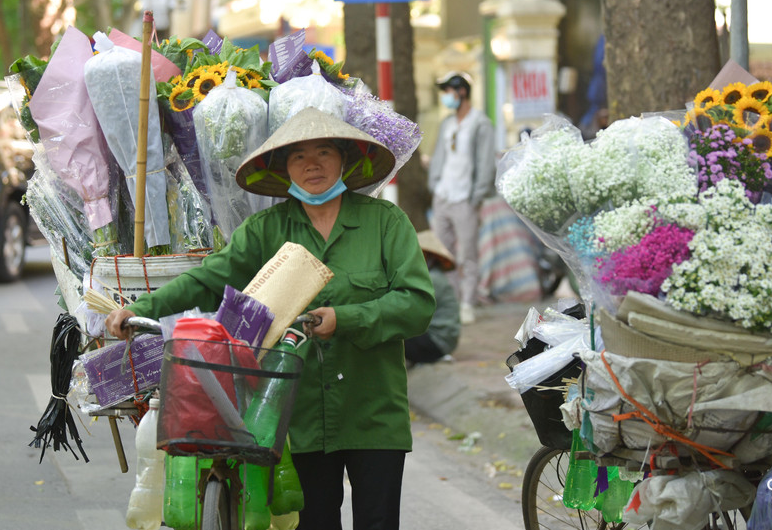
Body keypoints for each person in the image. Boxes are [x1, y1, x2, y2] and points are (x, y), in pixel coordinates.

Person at [105, 107, 436, 530]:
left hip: (374, 412)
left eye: (324, 152)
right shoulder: (265, 231)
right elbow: (208, 279)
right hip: (297, 418)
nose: (312, 164)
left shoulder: (386, 223)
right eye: (298, 156)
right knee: (314, 524)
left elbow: (417, 304)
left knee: (378, 521)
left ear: (344, 159)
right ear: (284, 169)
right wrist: (140, 309)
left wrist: (346, 318)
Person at [428, 71, 497, 325]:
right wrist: (434, 184)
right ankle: (451, 301)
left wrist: (476, 195)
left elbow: (486, 162)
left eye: (448, 91)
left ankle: (467, 303)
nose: (446, 97)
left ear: (462, 92)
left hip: (465, 198)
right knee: (443, 254)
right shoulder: (447, 123)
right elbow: (439, 154)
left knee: (468, 254)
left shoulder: (480, 123)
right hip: (443, 195)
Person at [404, 230, 460, 365]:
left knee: (392, 333)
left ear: (428, 256)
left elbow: (411, 311)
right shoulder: (433, 276)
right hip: (441, 340)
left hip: (438, 342)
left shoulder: (432, 279)